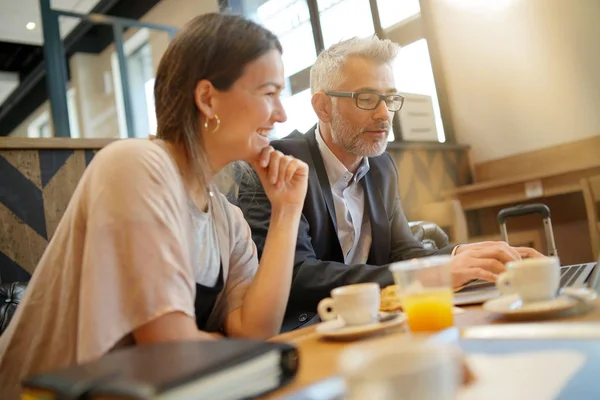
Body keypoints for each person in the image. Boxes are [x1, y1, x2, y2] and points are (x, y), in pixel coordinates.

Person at [0, 13, 308, 399]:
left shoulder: (227, 219)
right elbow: (170, 345)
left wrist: (287, 211)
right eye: (268, 92)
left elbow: (254, 330)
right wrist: (272, 360)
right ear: (208, 99)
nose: (281, 114)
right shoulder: (134, 164)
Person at [236, 36, 543, 332]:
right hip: (306, 332)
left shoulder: (381, 166)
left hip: (376, 323)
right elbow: (300, 274)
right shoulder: (277, 164)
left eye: (390, 98)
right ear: (323, 107)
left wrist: (463, 255)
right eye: (367, 99)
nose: (384, 114)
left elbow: (403, 252)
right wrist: (433, 275)